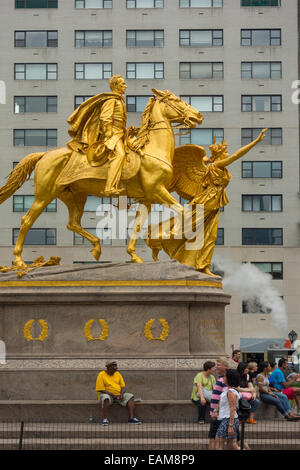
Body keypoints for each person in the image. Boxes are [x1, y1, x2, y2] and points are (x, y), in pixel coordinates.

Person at [67, 74, 128, 196]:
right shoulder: (111, 100)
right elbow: (105, 118)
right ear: (116, 86)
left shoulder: (119, 100)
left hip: (120, 133)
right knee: (120, 155)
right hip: (113, 134)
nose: (125, 86)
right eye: (122, 84)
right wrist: (109, 134)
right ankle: (109, 187)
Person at [95, 360, 141, 426]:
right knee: (105, 398)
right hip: (108, 394)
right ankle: (105, 419)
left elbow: (123, 387)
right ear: (108, 367)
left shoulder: (118, 374)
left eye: (116, 366)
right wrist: (113, 395)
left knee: (130, 396)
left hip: (119, 394)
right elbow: (101, 389)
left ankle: (131, 418)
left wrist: (121, 394)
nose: (116, 368)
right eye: (114, 366)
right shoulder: (101, 374)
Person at [214, 369, 241, 451]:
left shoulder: (230, 392)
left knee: (218, 443)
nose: (223, 377)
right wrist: (216, 411)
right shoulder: (229, 390)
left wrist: (230, 425)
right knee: (232, 445)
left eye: (225, 376)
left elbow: (232, 408)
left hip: (228, 420)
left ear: (229, 378)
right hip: (230, 419)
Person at [208, 357, 229, 449]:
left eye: (218, 365)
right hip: (216, 414)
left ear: (225, 367)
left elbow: (224, 397)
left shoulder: (225, 379)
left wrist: (216, 411)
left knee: (219, 442)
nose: (216, 367)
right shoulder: (221, 378)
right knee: (213, 439)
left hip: (220, 415)